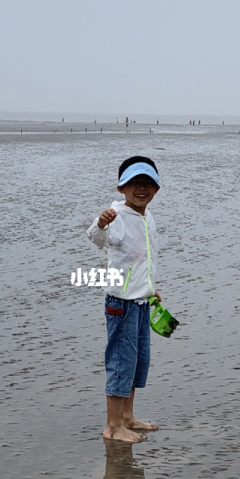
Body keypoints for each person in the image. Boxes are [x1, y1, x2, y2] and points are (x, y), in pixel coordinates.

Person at [86, 156, 163, 444]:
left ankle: (127, 417)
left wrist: (150, 289)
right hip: (121, 305)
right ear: (121, 188)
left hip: (141, 301)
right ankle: (112, 426)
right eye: (134, 183)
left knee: (137, 361)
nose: (141, 189)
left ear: (156, 189)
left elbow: (144, 260)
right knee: (120, 362)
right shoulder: (116, 215)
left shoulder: (147, 216)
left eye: (148, 184)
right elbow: (96, 237)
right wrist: (100, 222)